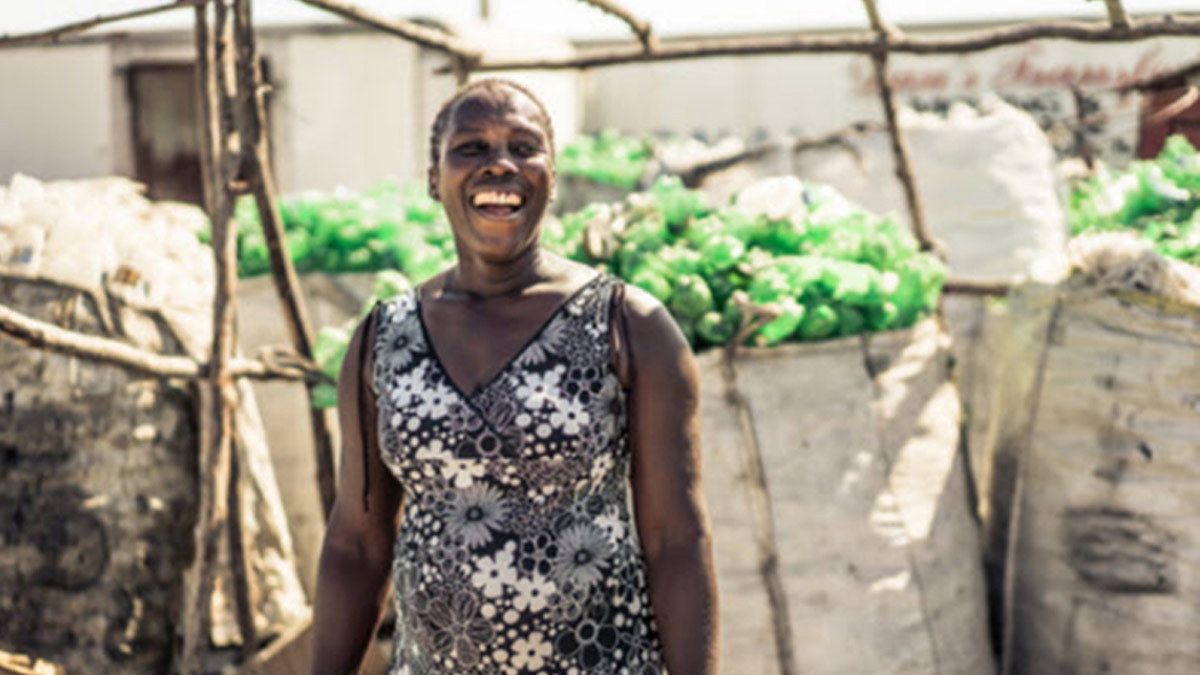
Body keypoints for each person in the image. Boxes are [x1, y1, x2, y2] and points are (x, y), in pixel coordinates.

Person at [311, 78, 717, 675]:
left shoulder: (629, 327)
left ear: (551, 176)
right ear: (434, 179)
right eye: (471, 148)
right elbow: (356, 543)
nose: (498, 164)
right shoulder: (384, 338)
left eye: (523, 147)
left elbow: (676, 541)